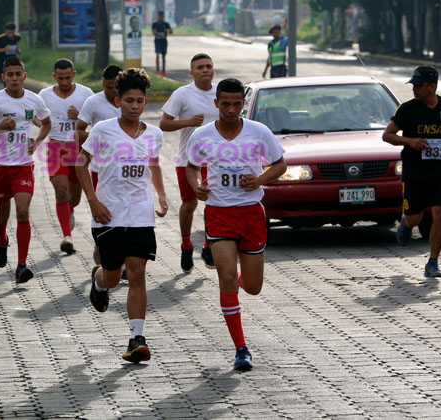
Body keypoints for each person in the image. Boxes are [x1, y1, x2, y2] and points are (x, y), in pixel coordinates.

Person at [185, 78, 286, 371]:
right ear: (216, 103)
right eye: (226, 104)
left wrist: (259, 179)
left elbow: (280, 165)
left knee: (252, 287)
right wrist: (196, 186)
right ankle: (241, 348)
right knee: (226, 277)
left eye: (237, 104)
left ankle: (241, 277)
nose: (231, 110)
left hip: (251, 213)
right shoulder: (202, 135)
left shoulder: (258, 131)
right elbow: (191, 166)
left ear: (243, 103)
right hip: (219, 213)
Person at [76, 68, 168, 363]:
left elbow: (153, 165)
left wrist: (161, 194)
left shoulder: (154, 134)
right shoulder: (103, 130)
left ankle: (136, 338)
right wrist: (93, 201)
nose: (134, 106)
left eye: (140, 101)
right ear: (118, 101)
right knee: (113, 277)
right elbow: (80, 163)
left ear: (146, 102)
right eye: (129, 100)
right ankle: (99, 281)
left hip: (140, 214)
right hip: (108, 214)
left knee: (137, 273)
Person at [382, 66, 441, 278]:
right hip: (414, 172)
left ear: (432, 86)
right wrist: (409, 141)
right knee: (414, 219)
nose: (414, 89)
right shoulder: (407, 109)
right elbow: (387, 135)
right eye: (413, 85)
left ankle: (433, 262)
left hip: (440, 172)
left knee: (440, 214)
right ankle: (405, 224)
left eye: (419, 85)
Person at [0, 56, 51, 284]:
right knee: (2, 215)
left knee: (22, 212)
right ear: (3, 77)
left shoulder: (34, 100)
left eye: (18, 74)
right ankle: (1, 240)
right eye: (10, 75)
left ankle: (21, 265)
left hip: (23, 166)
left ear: (24, 76)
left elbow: (46, 122)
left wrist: (37, 140)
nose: (15, 78)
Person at [159, 53, 219, 273]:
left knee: (214, 203)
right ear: (191, 73)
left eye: (208, 66)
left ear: (213, 69)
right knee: (189, 204)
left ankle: (208, 246)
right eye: (200, 67)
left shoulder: (220, 93)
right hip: (188, 159)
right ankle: (186, 245)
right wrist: (188, 122)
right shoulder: (182, 94)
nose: (205, 70)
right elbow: (164, 124)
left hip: (216, 160)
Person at [39, 58, 94, 254]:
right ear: (54, 76)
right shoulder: (44, 95)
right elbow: (37, 118)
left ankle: (69, 210)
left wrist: (79, 116)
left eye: (68, 78)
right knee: (61, 191)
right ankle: (67, 236)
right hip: (56, 146)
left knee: (75, 197)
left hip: (79, 148)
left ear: (74, 75)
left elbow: (97, 121)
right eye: (60, 78)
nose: (64, 82)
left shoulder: (86, 94)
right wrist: (45, 124)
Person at [76, 64, 122, 265]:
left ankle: (122, 256)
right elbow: (78, 132)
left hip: (124, 167)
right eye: (104, 86)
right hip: (99, 168)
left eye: (111, 87)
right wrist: (100, 137)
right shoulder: (93, 102)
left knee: (123, 210)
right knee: (104, 209)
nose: (107, 91)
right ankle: (101, 245)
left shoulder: (129, 102)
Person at [151, 11, 172, 77]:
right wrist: (155, 33)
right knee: (157, 55)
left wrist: (167, 31)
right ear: (157, 16)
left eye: (162, 16)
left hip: (164, 41)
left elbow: (171, 31)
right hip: (157, 41)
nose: (160, 17)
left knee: (163, 57)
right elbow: (153, 31)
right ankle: (158, 70)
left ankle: (163, 70)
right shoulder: (155, 24)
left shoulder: (166, 24)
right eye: (159, 16)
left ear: (163, 16)